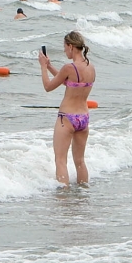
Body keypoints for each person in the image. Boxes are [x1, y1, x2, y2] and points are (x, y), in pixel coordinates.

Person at [38, 31, 96, 186]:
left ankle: (64, 198)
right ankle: (83, 195)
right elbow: (68, 82)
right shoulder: (90, 67)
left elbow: (48, 86)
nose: (64, 51)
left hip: (67, 118)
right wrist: (50, 66)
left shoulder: (69, 67)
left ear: (71, 46)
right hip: (83, 118)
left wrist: (43, 67)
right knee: (80, 161)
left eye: (65, 47)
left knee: (60, 161)